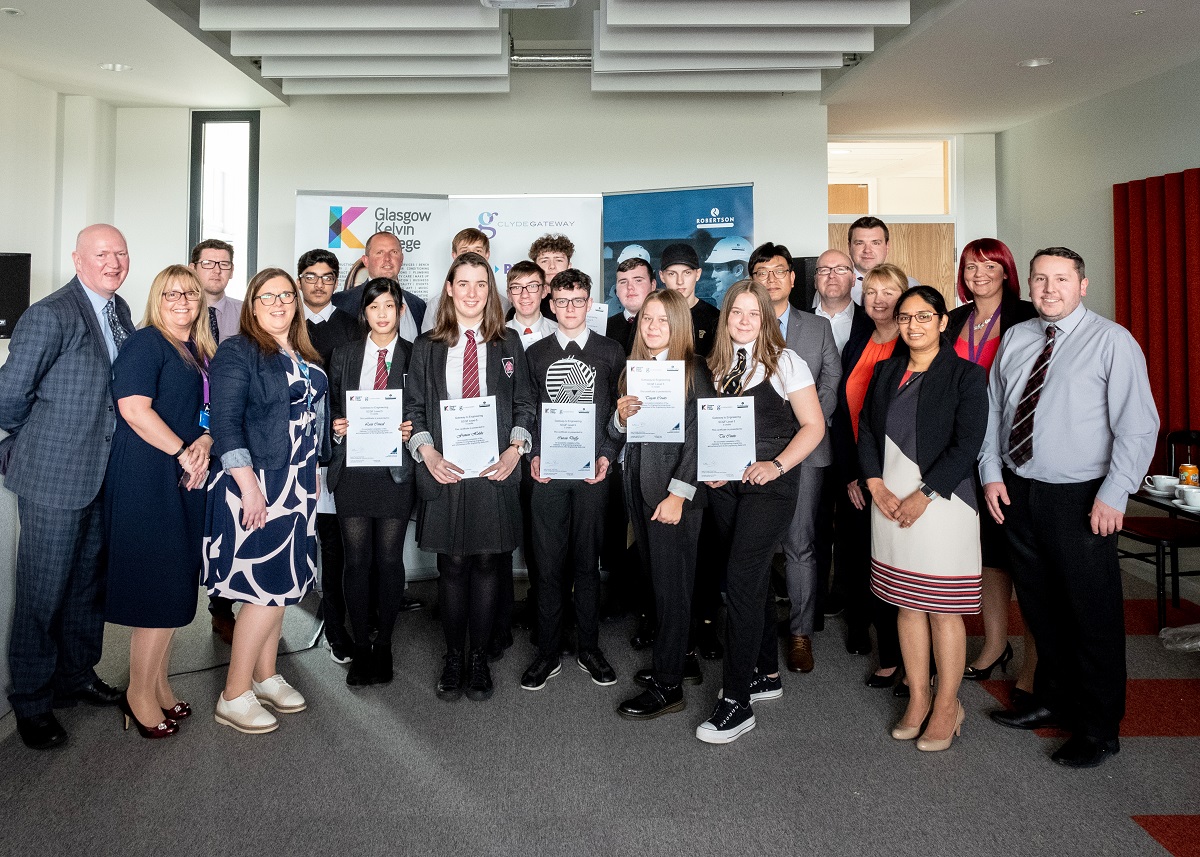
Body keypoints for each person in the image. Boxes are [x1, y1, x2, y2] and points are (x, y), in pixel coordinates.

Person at [981, 247, 1158, 768]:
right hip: (1019, 492)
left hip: (1083, 498)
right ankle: (1052, 701)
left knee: (1091, 616)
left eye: (1060, 279)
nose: (1048, 288)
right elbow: (994, 412)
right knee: (1040, 609)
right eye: (1039, 279)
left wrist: (1115, 491)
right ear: (1029, 285)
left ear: (1083, 285)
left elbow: (1138, 425)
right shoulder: (1017, 338)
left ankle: (1099, 727)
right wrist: (991, 473)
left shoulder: (1112, 342)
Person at [0, 224, 133, 750]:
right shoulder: (50, 314)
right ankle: (32, 701)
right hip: (54, 478)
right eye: (102, 254)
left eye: (121, 253)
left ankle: (75, 676)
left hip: (102, 476)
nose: (114, 262)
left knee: (87, 586)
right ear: (78, 260)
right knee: (42, 592)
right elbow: (9, 397)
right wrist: (30, 445)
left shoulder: (119, 312)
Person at [858, 286, 989, 752]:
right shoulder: (885, 371)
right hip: (888, 500)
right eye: (906, 317)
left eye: (923, 316)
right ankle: (919, 698)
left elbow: (967, 443)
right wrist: (874, 484)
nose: (913, 325)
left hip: (944, 505)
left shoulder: (966, 376)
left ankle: (948, 705)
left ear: (942, 321)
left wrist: (926, 493)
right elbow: (868, 431)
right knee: (907, 605)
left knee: (943, 610)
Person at [695, 280, 825, 744]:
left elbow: (814, 426)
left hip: (770, 485)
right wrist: (711, 468)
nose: (745, 321)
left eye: (754, 313)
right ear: (726, 317)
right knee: (749, 582)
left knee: (742, 580)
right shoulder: (717, 365)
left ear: (766, 318)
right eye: (737, 313)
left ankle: (736, 702)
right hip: (726, 487)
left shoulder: (786, 363)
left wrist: (777, 465)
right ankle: (766, 673)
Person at [204, 268, 330, 734]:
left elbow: (311, 421)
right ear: (252, 305)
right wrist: (249, 486)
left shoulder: (302, 352)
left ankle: (265, 674)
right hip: (256, 484)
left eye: (285, 296)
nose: (278, 303)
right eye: (266, 296)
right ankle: (233, 694)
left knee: (281, 588)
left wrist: (317, 465)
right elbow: (225, 424)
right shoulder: (239, 352)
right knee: (261, 589)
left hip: (296, 483)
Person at [406, 252, 536, 702]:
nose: (472, 292)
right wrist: (427, 453)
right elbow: (414, 409)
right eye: (464, 283)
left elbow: (525, 406)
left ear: (490, 290)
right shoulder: (426, 347)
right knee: (453, 566)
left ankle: (478, 658)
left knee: (485, 564)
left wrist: (515, 450)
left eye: (481, 284)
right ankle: (453, 656)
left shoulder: (508, 343)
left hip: (493, 471)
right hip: (445, 471)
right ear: (449, 288)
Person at [104, 265, 216, 738]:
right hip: (149, 478)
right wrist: (183, 452)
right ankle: (138, 695)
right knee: (156, 589)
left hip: (186, 473)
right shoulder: (145, 343)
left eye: (190, 292)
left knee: (174, 585)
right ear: (157, 298)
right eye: (171, 293)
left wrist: (205, 443)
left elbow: (206, 411)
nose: (182, 300)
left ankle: (160, 686)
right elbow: (133, 409)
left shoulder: (198, 348)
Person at [521, 269, 627, 691]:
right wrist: (531, 453)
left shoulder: (611, 351)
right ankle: (547, 653)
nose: (569, 309)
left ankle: (589, 647)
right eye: (562, 301)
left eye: (578, 300)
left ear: (589, 303)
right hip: (547, 474)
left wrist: (607, 454)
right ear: (550, 304)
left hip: (593, 474)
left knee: (587, 563)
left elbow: (619, 411)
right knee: (547, 566)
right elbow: (526, 408)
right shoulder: (535, 352)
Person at [944, 239, 1039, 702]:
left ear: (1006, 270)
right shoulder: (956, 319)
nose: (978, 273)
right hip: (964, 445)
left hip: (1012, 446)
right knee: (989, 554)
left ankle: (1035, 659)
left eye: (989, 265)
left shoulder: (1027, 316)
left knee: (1025, 555)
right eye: (970, 266)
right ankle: (997, 643)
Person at [613, 289, 712, 719]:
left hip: (673, 495)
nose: (653, 327)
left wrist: (678, 494)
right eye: (648, 319)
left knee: (672, 588)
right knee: (660, 582)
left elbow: (701, 440)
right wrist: (620, 417)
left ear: (680, 326)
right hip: (639, 488)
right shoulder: (634, 370)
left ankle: (668, 685)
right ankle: (679, 660)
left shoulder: (694, 370)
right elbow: (616, 434)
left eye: (663, 321)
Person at [748, 242, 841, 674]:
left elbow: (829, 383)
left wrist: (797, 431)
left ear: (791, 278)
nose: (770, 279)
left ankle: (801, 632)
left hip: (805, 450)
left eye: (779, 271)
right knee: (756, 544)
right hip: (751, 453)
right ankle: (757, 628)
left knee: (800, 543)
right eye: (761, 272)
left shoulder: (817, 327)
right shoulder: (742, 324)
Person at [327, 279, 415, 686]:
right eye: (374, 306)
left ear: (399, 311)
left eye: (389, 306)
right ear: (364, 312)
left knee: (388, 561)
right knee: (356, 561)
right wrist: (337, 429)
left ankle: (386, 646)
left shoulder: (417, 356)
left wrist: (413, 430)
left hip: (395, 472)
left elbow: (426, 411)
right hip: (355, 471)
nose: (382, 314)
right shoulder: (343, 355)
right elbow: (328, 410)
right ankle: (361, 645)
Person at [831, 263, 907, 688]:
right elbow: (844, 414)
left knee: (896, 562)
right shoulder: (858, 341)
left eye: (889, 291)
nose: (878, 299)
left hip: (894, 473)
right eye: (871, 290)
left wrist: (874, 473)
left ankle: (900, 656)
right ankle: (867, 630)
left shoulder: (912, 343)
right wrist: (851, 474)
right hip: (857, 471)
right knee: (860, 556)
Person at [298, 248, 360, 665]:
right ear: (299, 280)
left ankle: (338, 628)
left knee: (335, 542)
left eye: (327, 277)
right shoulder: (285, 322)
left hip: (340, 452)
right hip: (294, 451)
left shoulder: (353, 327)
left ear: (336, 283)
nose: (319, 283)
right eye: (310, 276)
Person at [190, 239, 243, 645]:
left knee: (226, 517)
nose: (217, 270)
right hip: (185, 429)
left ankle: (221, 604)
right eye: (209, 263)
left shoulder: (244, 313)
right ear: (194, 267)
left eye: (224, 264)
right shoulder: (175, 308)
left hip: (230, 428)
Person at [502, 261, 556, 651]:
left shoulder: (559, 333)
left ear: (545, 291)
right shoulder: (494, 335)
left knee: (542, 537)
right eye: (516, 288)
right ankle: (500, 613)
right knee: (503, 533)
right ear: (508, 292)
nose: (524, 295)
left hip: (547, 450)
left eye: (532, 287)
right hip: (499, 451)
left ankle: (545, 612)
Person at [332, 231, 427, 340]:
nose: (387, 258)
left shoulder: (418, 305)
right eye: (380, 252)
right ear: (366, 261)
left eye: (394, 252)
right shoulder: (340, 303)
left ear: (401, 259)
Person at [423, 227, 496, 333]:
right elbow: (428, 343)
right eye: (464, 251)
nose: (471, 255)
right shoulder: (435, 306)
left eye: (478, 251)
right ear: (454, 255)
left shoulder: (503, 305)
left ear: (487, 255)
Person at [660, 243, 719, 358]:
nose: (680, 281)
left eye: (687, 273)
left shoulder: (714, 318)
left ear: (698, 274)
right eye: (672, 274)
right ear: (662, 277)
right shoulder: (650, 317)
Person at [846, 217, 920, 304]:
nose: (867, 250)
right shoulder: (837, 288)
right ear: (849, 247)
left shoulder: (910, 286)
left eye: (875, 243)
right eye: (859, 243)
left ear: (887, 246)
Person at [812, 249, 861, 355]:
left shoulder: (871, 322)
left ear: (853, 280)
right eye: (824, 270)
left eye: (841, 269)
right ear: (815, 281)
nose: (831, 275)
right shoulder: (797, 322)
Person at [606, 256, 657, 354]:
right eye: (623, 282)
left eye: (638, 280)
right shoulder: (605, 328)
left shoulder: (666, 326)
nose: (630, 287)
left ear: (653, 285)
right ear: (616, 290)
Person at [702, 236, 752, 309]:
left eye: (718, 268)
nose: (712, 275)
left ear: (738, 270)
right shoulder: (717, 298)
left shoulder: (753, 301)